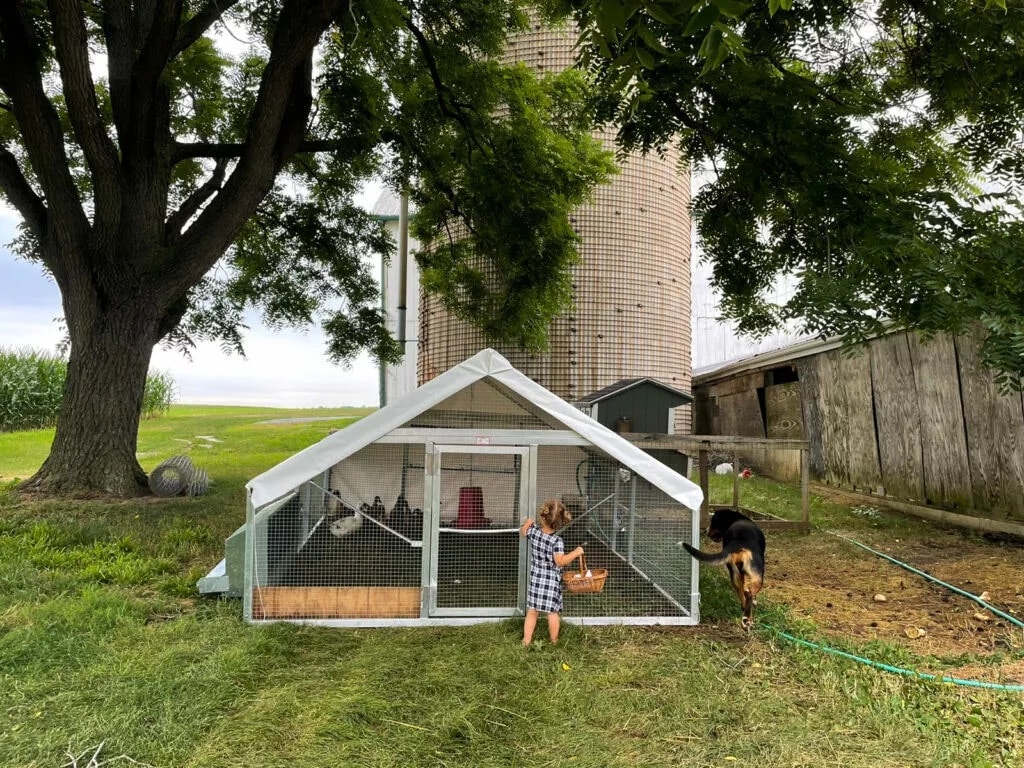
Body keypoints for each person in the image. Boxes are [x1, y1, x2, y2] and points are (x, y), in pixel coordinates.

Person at [520, 498, 584, 646]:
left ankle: (526, 640)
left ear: (542, 517)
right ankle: (554, 641)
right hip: (550, 582)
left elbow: (523, 532)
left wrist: (528, 524)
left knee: (532, 611)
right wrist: (575, 552)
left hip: (536, 578)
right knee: (552, 612)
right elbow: (560, 561)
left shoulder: (534, 532)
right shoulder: (556, 541)